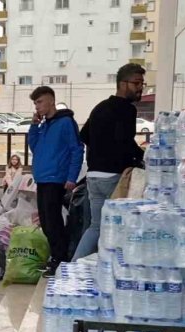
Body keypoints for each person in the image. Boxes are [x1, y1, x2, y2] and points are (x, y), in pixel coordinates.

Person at [73, 63, 147, 260]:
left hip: (94, 175)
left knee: (96, 226)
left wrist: (100, 151)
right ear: (122, 84)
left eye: (142, 83)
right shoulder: (127, 110)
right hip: (113, 177)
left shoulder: (100, 107)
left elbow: (84, 134)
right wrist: (143, 157)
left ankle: (72, 268)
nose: (140, 88)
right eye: (136, 83)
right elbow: (125, 142)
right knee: (119, 228)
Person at [27, 86, 85, 276]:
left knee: (53, 221)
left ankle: (60, 258)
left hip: (56, 178)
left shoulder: (66, 122)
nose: (37, 106)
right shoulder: (44, 125)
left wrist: (71, 177)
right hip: (42, 177)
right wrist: (34, 126)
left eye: (40, 102)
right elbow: (35, 147)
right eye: (35, 103)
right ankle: (56, 256)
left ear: (51, 101)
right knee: (45, 221)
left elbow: (76, 149)